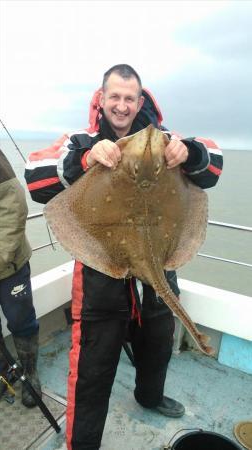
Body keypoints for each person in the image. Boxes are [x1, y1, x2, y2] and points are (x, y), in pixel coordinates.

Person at [25, 64, 223, 449]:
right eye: (114, 96)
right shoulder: (81, 140)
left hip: (159, 257)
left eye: (129, 98)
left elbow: (212, 164)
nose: (121, 105)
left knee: (159, 337)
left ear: (140, 100)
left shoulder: (163, 140)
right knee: (94, 362)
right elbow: (35, 175)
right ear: (102, 99)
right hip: (102, 263)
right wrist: (84, 160)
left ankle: (149, 395)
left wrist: (190, 152)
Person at [0, 148, 41, 407]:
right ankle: (4, 372)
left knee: (21, 321)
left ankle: (30, 374)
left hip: (10, 265)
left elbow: (14, 206)